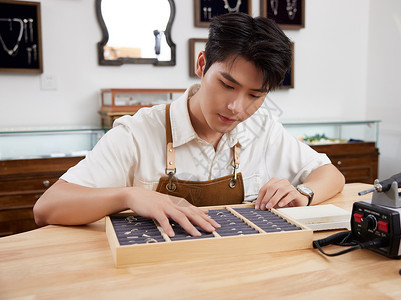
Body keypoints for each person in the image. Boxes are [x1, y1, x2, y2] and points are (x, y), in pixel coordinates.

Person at [33, 13, 345, 238]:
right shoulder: (138, 132)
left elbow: (331, 174)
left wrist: (303, 193)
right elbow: (48, 206)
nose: (237, 107)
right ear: (201, 65)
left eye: (254, 95)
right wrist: (128, 196)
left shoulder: (262, 128)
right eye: (226, 85)